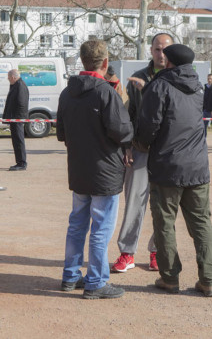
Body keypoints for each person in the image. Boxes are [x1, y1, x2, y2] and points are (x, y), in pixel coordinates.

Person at [134, 44, 212, 297]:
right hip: (197, 166)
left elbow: (149, 125)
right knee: (202, 222)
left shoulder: (159, 86)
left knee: (164, 223)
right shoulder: (198, 86)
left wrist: (140, 144)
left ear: (169, 61)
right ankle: (208, 279)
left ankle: (170, 278)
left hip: (167, 166)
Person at [57, 40, 133, 299]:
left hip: (79, 168)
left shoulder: (67, 93)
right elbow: (122, 132)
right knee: (101, 227)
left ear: (82, 61)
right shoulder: (106, 92)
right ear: (105, 63)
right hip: (105, 171)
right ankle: (96, 282)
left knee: (77, 223)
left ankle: (71, 275)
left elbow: (62, 133)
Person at [111, 32, 173, 274]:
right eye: (157, 49)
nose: (161, 54)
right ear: (151, 50)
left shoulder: (176, 79)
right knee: (134, 203)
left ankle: (157, 252)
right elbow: (128, 116)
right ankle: (127, 253)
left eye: (166, 49)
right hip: (140, 150)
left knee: (163, 205)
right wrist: (127, 145)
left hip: (167, 154)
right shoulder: (136, 79)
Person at [3, 69, 29, 171]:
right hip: (14, 118)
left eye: (9, 78)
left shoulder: (20, 86)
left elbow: (21, 103)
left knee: (19, 141)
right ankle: (19, 161)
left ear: (13, 77)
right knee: (16, 141)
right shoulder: (16, 85)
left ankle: (22, 163)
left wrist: (16, 118)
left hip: (17, 118)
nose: (8, 79)